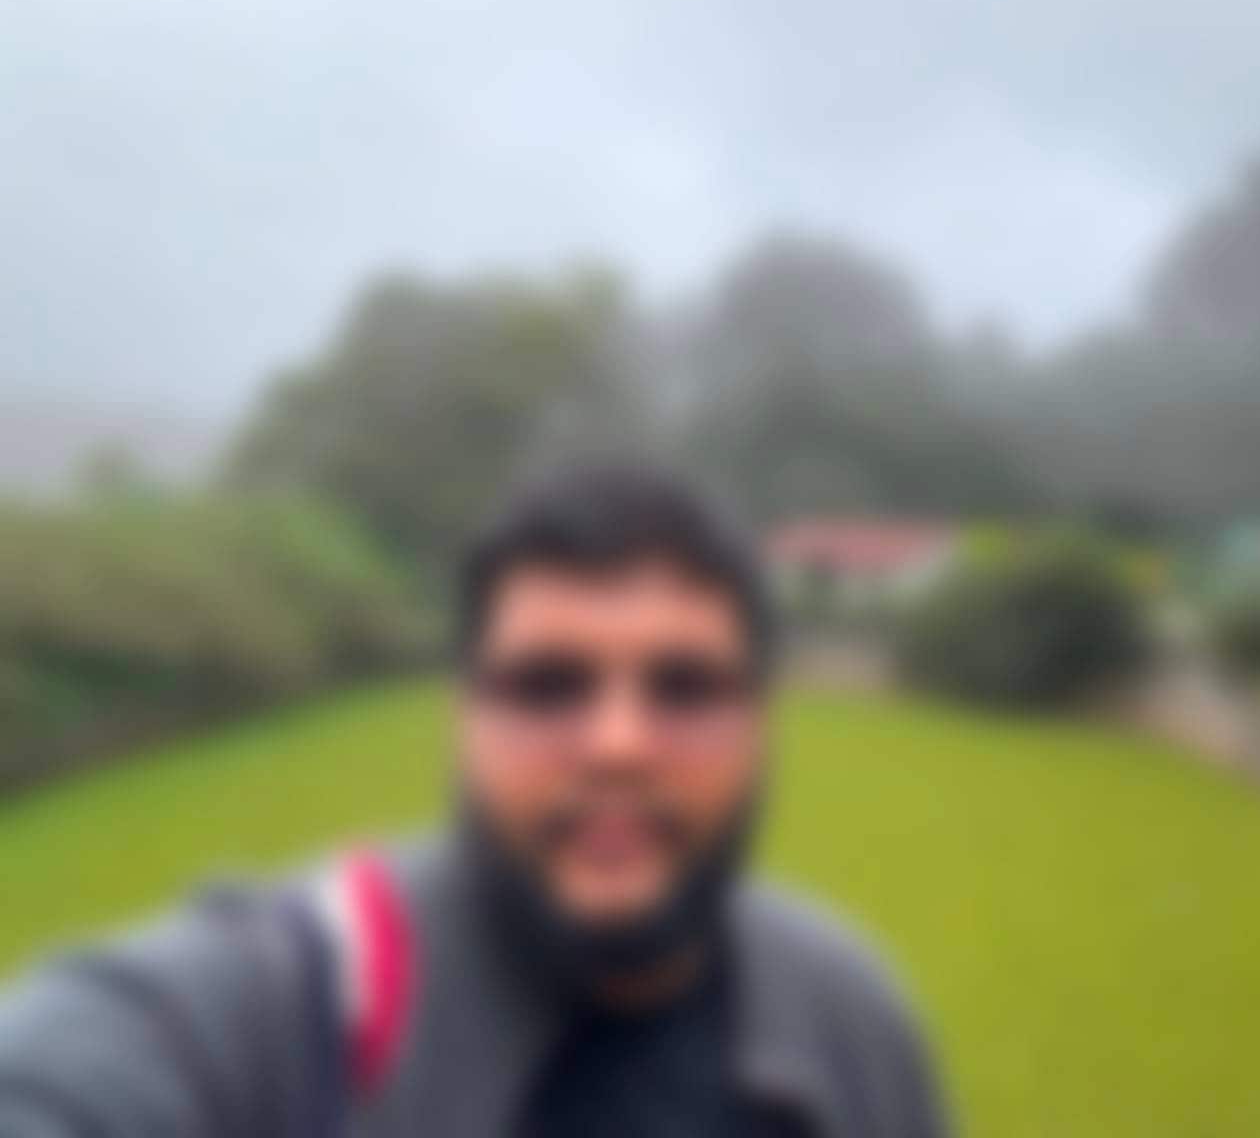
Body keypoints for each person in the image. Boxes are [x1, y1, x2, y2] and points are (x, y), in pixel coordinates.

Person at [0, 465, 947, 1137]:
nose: (618, 744)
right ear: (464, 719)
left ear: (761, 723)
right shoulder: (298, 999)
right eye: (547, 686)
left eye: (686, 687)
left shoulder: (854, 1020)